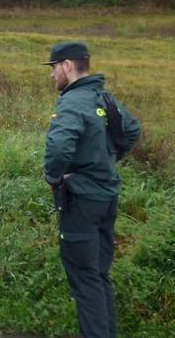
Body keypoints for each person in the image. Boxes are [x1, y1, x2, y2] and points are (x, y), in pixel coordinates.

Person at [42, 42, 141, 338]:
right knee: (98, 275)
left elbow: (58, 146)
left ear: (68, 66)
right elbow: (132, 130)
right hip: (107, 197)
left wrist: (54, 176)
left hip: (82, 202)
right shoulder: (102, 96)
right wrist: (107, 159)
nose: (52, 75)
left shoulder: (72, 102)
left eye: (54, 68)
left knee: (85, 279)